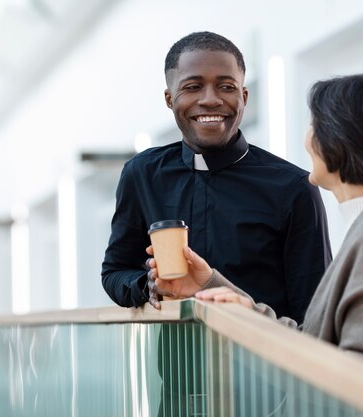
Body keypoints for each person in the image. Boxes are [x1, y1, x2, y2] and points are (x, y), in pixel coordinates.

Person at [149, 74, 363, 393]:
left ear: (337, 137)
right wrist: (211, 283)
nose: (307, 138)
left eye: (314, 125)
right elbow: (319, 344)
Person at [101, 31, 332, 325]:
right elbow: (115, 272)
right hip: (177, 367)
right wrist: (148, 285)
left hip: (261, 367)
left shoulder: (294, 188)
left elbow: (314, 314)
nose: (210, 100)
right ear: (170, 99)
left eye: (226, 86)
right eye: (193, 87)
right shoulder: (142, 174)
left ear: (243, 97)